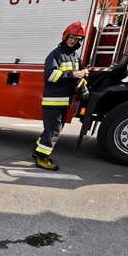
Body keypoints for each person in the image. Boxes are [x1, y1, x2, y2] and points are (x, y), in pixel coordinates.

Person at [33, 21, 90, 171]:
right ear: (65, 36)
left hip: (64, 101)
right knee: (53, 131)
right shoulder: (56, 54)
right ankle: (41, 159)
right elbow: (49, 75)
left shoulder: (75, 56)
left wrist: (82, 82)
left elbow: (77, 76)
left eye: (77, 38)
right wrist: (73, 74)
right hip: (53, 101)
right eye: (71, 37)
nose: (73, 40)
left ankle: (37, 151)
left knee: (53, 129)